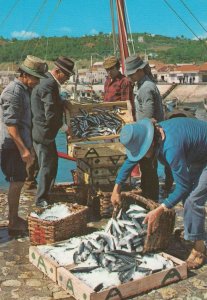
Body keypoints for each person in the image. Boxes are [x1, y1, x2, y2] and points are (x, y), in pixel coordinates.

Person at [111, 117, 207, 270]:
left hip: (204, 155)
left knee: (192, 200)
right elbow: (131, 161)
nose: (141, 156)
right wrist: (117, 187)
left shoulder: (171, 148)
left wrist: (160, 209)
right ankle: (193, 235)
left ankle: (199, 249)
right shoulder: (154, 135)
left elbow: (182, 186)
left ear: (151, 143)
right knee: (189, 197)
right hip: (198, 153)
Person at [0, 55, 47, 232]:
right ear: (25, 75)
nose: (37, 82)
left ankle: (14, 217)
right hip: (11, 146)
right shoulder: (14, 92)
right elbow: (11, 125)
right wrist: (23, 150)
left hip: (17, 145)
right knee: (16, 181)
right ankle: (12, 220)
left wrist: (28, 148)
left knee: (18, 181)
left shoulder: (23, 90)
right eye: (36, 78)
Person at [31, 56, 75, 207]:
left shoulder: (46, 81)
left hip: (40, 132)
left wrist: (63, 102)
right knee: (48, 166)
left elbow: (52, 103)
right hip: (44, 133)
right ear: (58, 71)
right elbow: (50, 113)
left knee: (50, 163)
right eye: (67, 75)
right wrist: (65, 128)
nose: (67, 79)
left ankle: (45, 195)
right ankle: (41, 199)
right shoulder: (49, 83)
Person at [124, 55, 164, 201]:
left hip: (149, 135)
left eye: (131, 74)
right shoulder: (143, 85)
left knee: (148, 169)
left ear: (140, 70)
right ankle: (149, 196)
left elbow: (148, 116)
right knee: (147, 168)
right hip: (147, 133)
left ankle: (151, 198)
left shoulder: (146, 88)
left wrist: (141, 137)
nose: (130, 77)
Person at [103, 56, 135, 121]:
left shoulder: (124, 82)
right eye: (107, 69)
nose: (109, 72)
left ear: (117, 67)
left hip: (119, 118)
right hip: (107, 117)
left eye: (111, 68)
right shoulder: (107, 81)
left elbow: (126, 104)